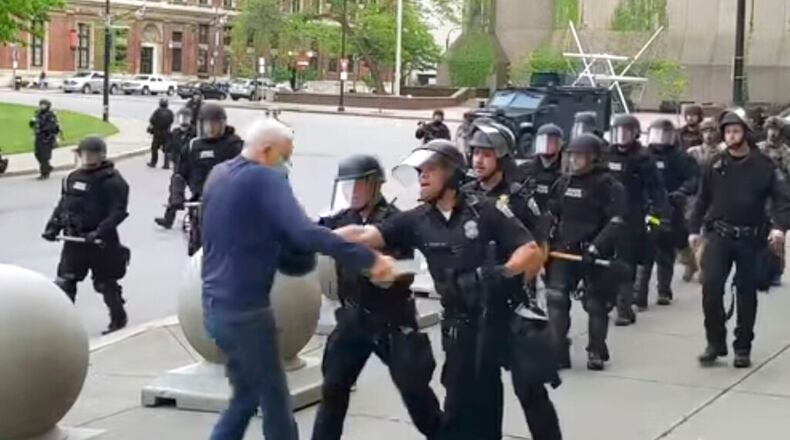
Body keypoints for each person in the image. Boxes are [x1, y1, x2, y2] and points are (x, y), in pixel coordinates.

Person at [334, 140, 551, 440]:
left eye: (429, 170)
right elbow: (364, 234)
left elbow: (530, 251)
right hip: (459, 327)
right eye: (419, 171)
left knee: (517, 397)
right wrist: (313, 237)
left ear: (451, 174)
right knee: (458, 409)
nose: (421, 177)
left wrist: (501, 272)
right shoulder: (416, 220)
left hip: (498, 319)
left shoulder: (485, 211)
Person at [201, 118, 396, 440]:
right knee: (275, 400)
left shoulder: (219, 175)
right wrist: (367, 257)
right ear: (265, 151)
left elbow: (250, 234)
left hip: (215, 307)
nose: (287, 164)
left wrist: (325, 235)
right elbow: (302, 233)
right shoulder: (263, 179)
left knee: (247, 397)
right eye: (285, 156)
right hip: (246, 312)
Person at [312, 155, 443, 440]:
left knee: (416, 393)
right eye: (348, 186)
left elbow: (407, 270)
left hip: (391, 321)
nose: (353, 191)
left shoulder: (393, 222)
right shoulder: (342, 218)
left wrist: (386, 272)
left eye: (359, 184)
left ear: (374, 185)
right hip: (353, 319)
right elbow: (313, 231)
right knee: (333, 389)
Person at [461, 120, 562, 440]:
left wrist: (516, 278)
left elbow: (541, 248)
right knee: (482, 394)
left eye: (486, 154)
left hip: (516, 304)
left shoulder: (521, 198)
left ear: (502, 158)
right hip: (479, 308)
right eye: (475, 153)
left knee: (529, 389)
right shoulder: (466, 195)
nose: (478, 160)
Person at [689, 110, 790, 369]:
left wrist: (779, 228)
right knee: (710, 288)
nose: (731, 135)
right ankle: (715, 342)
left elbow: (782, 199)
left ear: (745, 132)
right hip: (719, 234)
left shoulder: (764, 165)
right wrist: (693, 229)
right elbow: (701, 199)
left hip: (751, 237)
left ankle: (742, 346)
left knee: (746, 294)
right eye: (727, 131)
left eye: (736, 130)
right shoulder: (715, 164)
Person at [545, 134, 627, 371]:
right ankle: (558, 349)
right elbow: (551, 215)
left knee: (595, 304)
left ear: (594, 157)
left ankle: (595, 349)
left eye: (579, 156)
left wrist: (596, 247)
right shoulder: (562, 184)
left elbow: (616, 221)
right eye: (571, 155)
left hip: (594, 255)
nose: (574, 160)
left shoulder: (609, 185)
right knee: (556, 299)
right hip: (563, 252)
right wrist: (545, 241)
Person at [41, 136, 131, 335]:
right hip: (74, 240)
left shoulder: (112, 180)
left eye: (93, 155)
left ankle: (118, 317)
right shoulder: (72, 178)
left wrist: (99, 231)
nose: (88, 158)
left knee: (105, 283)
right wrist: (52, 227)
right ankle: (61, 325)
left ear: (102, 156)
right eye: (85, 154)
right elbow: (63, 205)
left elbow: (118, 212)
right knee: (65, 283)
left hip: (101, 242)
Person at [602, 114, 670, 326]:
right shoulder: (605, 155)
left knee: (627, 261)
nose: (621, 137)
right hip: (605, 214)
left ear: (635, 134)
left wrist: (658, 214)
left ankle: (624, 308)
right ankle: (609, 300)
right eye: (618, 132)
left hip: (633, 215)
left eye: (626, 132)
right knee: (604, 261)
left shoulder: (643, 158)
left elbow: (656, 189)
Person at [635, 119, 699, 308]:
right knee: (647, 250)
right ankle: (640, 294)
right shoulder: (644, 157)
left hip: (672, 208)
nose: (660, 139)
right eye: (657, 134)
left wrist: (681, 192)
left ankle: (664, 290)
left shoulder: (680, 158)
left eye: (665, 134)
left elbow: (693, 179)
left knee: (667, 248)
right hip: (650, 209)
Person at [170, 104, 243, 254]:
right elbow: (179, 174)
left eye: (215, 125)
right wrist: (176, 195)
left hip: (228, 203)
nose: (211, 130)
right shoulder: (192, 146)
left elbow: (246, 173)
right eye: (207, 125)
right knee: (197, 242)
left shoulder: (234, 145)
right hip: (200, 201)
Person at [155, 107, 197, 229]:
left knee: (197, 193)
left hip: (192, 168)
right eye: (181, 117)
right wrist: (169, 154)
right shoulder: (175, 133)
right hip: (179, 167)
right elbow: (168, 146)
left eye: (186, 118)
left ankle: (195, 218)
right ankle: (168, 220)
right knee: (174, 193)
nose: (184, 121)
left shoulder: (195, 133)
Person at [519, 123, 565, 211]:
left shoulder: (567, 172)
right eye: (543, 141)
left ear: (560, 144)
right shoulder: (524, 169)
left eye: (551, 141)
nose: (547, 145)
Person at [29, 99, 60, 179]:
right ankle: (48, 167)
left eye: (44, 105)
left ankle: (44, 173)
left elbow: (51, 127)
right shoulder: (37, 114)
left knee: (44, 156)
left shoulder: (50, 115)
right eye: (41, 105)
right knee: (37, 154)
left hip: (47, 138)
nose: (42, 106)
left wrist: (43, 128)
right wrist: (32, 122)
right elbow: (32, 125)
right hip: (38, 137)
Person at [758, 116, 790, 182]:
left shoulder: (785, 149)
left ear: (780, 132)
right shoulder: (759, 148)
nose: (773, 132)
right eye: (770, 129)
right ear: (767, 130)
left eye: (776, 129)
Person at [147, 98, 175, 169]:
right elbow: (172, 121)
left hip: (157, 133)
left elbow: (152, 121)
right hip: (167, 132)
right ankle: (166, 164)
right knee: (166, 150)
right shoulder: (170, 112)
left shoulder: (157, 112)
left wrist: (150, 128)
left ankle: (153, 162)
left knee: (154, 148)